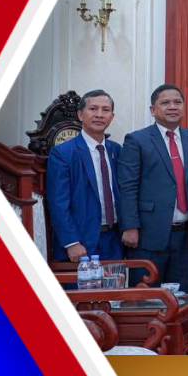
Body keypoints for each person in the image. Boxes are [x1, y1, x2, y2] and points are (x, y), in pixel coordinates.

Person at [117, 84, 188, 290]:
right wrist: (130, 226)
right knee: (146, 299)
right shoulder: (137, 140)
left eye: (177, 102)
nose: (172, 107)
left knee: (180, 298)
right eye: (165, 103)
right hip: (148, 235)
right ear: (152, 109)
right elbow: (128, 186)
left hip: (187, 236)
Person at [46, 89, 124, 262]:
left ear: (112, 117)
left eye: (106, 110)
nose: (100, 114)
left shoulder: (117, 150)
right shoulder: (63, 153)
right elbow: (58, 203)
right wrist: (71, 242)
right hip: (81, 242)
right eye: (93, 109)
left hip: (115, 240)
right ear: (80, 115)